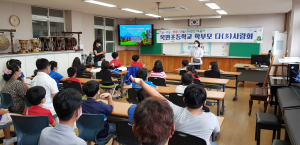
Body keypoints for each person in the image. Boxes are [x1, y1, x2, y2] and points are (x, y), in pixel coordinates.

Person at [130, 76, 220, 145]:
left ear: (184, 99)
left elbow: (157, 95)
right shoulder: (211, 117)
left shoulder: (175, 111)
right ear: (204, 102)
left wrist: (142, 83)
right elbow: (216, 131)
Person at [81, 80, 117, 145]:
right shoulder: (101, 105)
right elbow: (111, 108)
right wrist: (109, 95)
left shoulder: (80, 105)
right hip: (101, 134)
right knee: (118, 127)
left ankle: (89, 141)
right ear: (98, 92)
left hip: (85, 132)